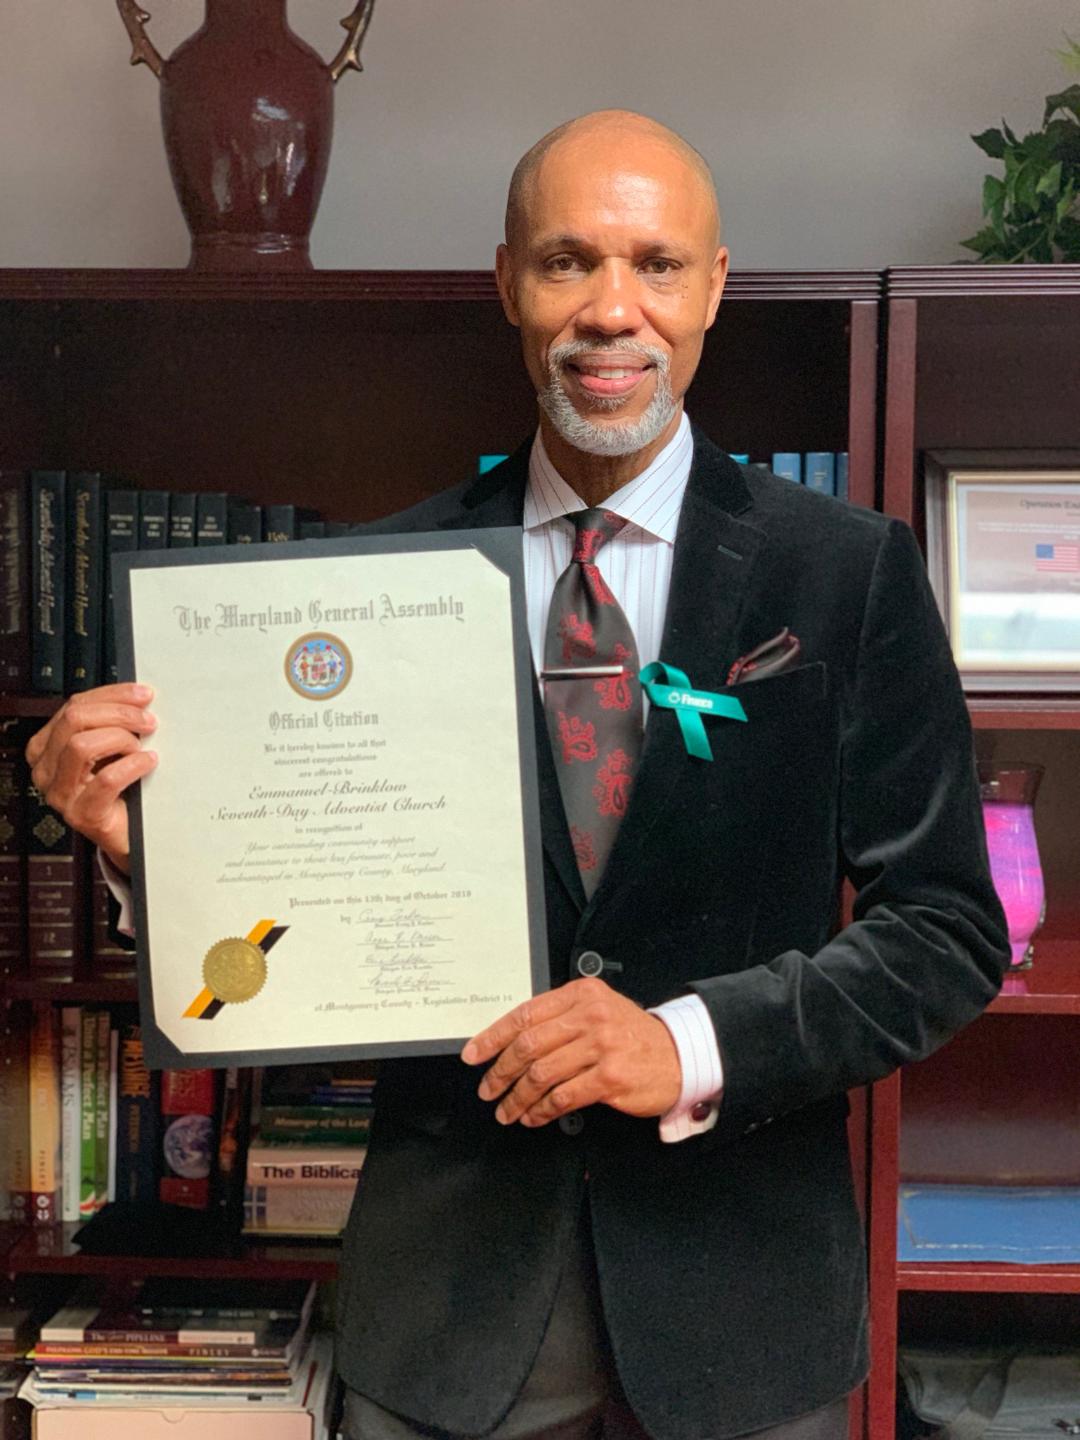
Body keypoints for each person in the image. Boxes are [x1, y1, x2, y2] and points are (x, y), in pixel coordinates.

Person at [27, 110, 1009, 1440]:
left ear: (716, 285)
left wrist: (684, 1043)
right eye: (567, 262)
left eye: (656, 265)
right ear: (509, 282)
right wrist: (165, 850)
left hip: (744, 1309)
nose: (613, 311)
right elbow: (306, 937)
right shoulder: (368, 591)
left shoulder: (847, 572)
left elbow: (948, 932)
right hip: (448, 1318)